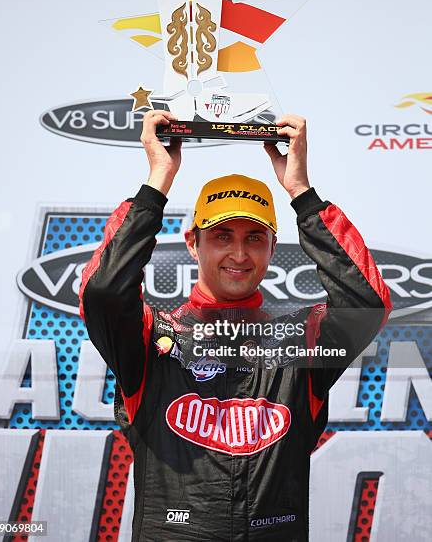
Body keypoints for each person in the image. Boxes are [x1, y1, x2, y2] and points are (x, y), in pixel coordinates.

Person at [79, 110, 392, 542]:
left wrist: (303, 195)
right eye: (223, 235)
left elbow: (367, 303)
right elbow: (104, 293)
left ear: (271, 248)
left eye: (254, 238)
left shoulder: (302, 343)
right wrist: (157, 182)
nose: (239, 254)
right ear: (194, 242)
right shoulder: (151, 338)